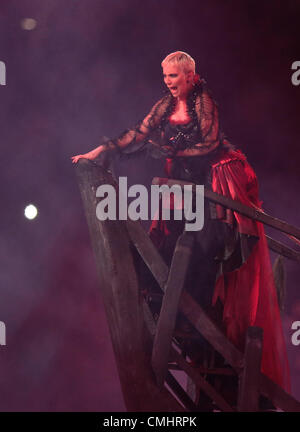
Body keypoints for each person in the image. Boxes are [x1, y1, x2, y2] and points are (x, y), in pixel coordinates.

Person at [71, 51, 290, 395]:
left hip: (215, 177)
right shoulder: (165, 106)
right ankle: (180, 307)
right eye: (165, 77)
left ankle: (198, 309)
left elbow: (209, 144)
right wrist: (99, 152)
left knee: (205, 241)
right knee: (171, 235)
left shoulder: (205, 103)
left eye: (174, 76)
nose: (169, 83)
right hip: (187, 184)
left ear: (190, 75)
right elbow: (139, 133)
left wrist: (169, 152)